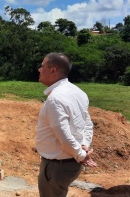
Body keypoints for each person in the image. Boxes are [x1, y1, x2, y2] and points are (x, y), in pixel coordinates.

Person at [36, 52, 97, 197]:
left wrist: (82, 155)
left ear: (53, 70)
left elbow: (64, 137)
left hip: (56, 167)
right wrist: (84, 145)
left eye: (42, 66)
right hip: (70, 164)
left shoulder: (55, 99)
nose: (39, 69)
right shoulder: (78, 92)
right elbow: (87, 123)